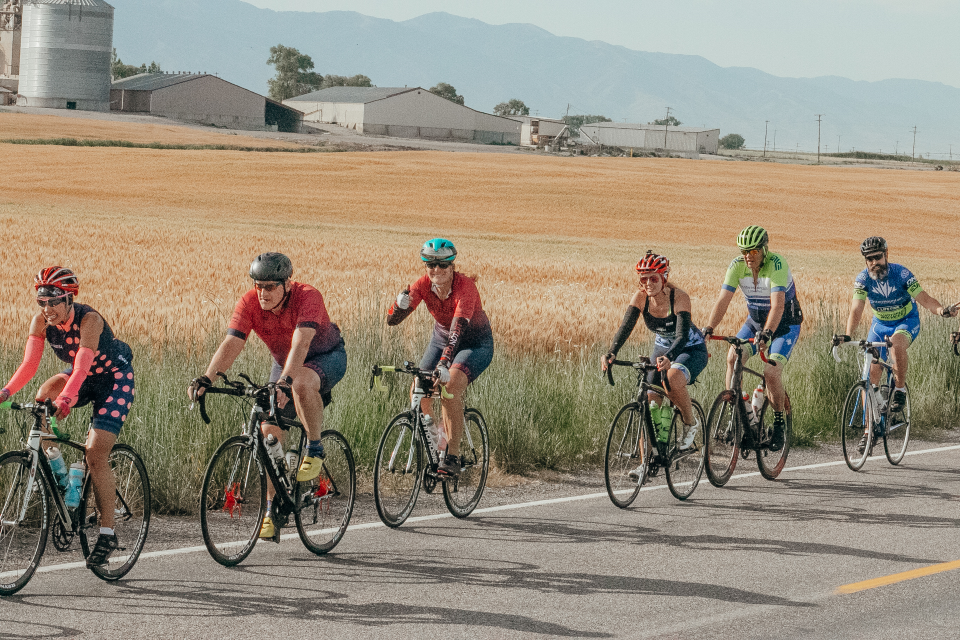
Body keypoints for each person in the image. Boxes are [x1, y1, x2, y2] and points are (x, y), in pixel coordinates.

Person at [188, 253, 346, 540]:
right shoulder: (249, 302)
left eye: (271, 287)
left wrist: (285, 383)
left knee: (299, 385)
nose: (263, 293)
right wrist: (207, 378)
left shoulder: (307, 296)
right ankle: (273, 508)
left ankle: (315, 448)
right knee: (268, 432)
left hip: (325, 356)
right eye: (259, 286)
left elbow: (302, 342)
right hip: (285, 362)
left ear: (287, 284)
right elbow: (232, 342)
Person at [0, 267, 134, 567]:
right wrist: (5, 392)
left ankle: (107, 533)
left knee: (95, 454)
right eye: (42, 303)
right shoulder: (41, 323)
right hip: (80, 377)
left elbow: (83, 365)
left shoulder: (90, 320)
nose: (47, 310)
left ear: (70, 298)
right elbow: (29, 365)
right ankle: (60, 473)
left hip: (114, 379)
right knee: (41, 396)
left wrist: (67, 398)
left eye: (54, 302)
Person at [387, 238, 494, 476]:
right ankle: (437, 441)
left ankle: (452, 456)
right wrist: (398, 306)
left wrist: (445, 364)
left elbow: (457, 330)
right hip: (441, 339)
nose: (436, 270)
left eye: (442, 265)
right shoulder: (423, 284)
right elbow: (392, 321)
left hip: (474, 342)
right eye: (430, 264)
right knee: (418, 389)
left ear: (452, 266)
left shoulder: (465, 287)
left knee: (450, 386)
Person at [841, 236, 955, 450]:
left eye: (878, 257)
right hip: (880, 324)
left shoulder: (901, 273)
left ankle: (899, 390)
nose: (874, 262)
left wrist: (941, 310)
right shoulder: (863, 279)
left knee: (896, 344)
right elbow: (856, 308)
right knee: (869, 378)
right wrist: (848, 335)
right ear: (865, 261)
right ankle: (869, 429)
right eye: (869, 259)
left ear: (886, 255)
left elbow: (924, 298)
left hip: (906, 321)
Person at [601, 252, 708, 477]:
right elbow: (625, 327)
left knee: (672, 379)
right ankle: (646, 463)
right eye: (643, 279)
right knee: (648, 404)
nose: (648, 284)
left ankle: (690, 422)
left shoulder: (679, 298)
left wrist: (671, 357)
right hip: (662, 348)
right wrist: (612, 352)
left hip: (690, 348)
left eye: (653, 278)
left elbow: (680, 336)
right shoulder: (640, 297)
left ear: (664, 278)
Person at [703, 226, 802, 451]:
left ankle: (778, 424)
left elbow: (777, 306)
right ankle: (737, 413)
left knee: (771, 371)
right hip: (755, 322)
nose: (748, 256)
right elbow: (723, 301)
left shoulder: (777, 264)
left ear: (764, 250)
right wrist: (709, 327)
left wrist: (767, 334)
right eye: (744, 251)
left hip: (784, 325)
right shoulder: (737, 266)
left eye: (754, 251)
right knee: (732, 358)